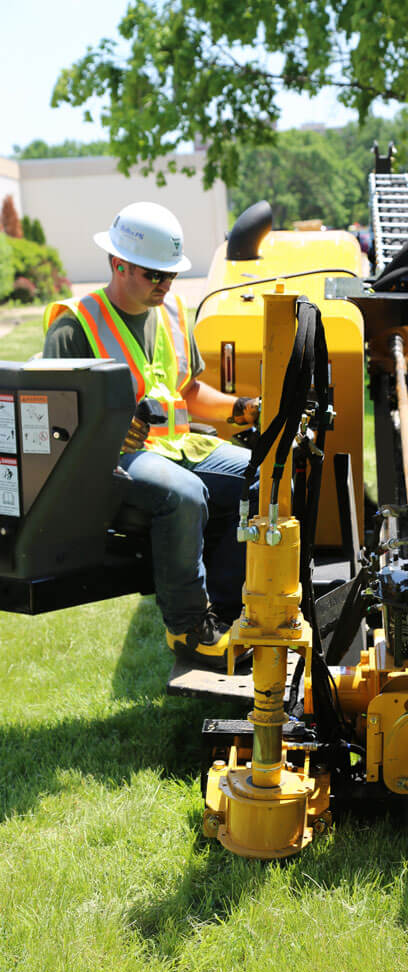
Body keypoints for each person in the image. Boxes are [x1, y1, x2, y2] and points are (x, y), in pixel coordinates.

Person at [43, 201, 259, 664]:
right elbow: (54, 420)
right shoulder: (74, 325)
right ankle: (187, 628)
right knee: (184, 493)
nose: (165, 284)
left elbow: (188, 390)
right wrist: (105, 431)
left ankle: (228, 611)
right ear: (118, 264)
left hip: (177, 446)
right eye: (154, 274)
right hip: (110, 462)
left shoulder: (173, 312)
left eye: (171, 275)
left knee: (260, 474)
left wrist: (241, 408)